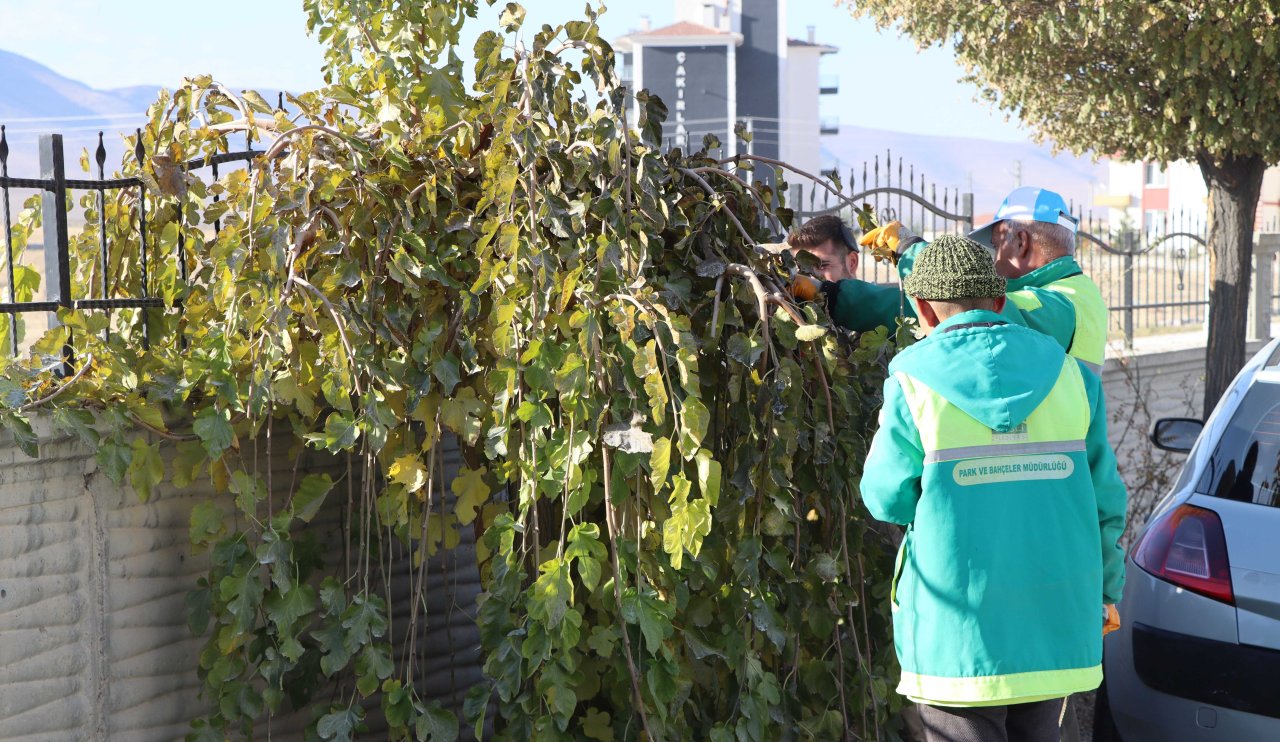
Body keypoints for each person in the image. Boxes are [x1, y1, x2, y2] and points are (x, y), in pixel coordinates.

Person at [859, 234, 1127, 742]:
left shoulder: (913, 382)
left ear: (923, 310)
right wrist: (1108, 591)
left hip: (958, 639)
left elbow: (885, 496)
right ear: (1001, 300)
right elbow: (1106, 500)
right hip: (1058, 626)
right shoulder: (1073, 377)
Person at [794, 187, 1109, 374]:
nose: (994, 259)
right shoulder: (1076, 291)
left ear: (1022, 242)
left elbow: (954, 302)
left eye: (998, 245)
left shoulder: (1054, 305)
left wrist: (831, 294)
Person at [783, 214, 861, 282]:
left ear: (852, 263)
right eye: (800, 268)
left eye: (821, 266)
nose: (810, 278)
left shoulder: (871, 298)